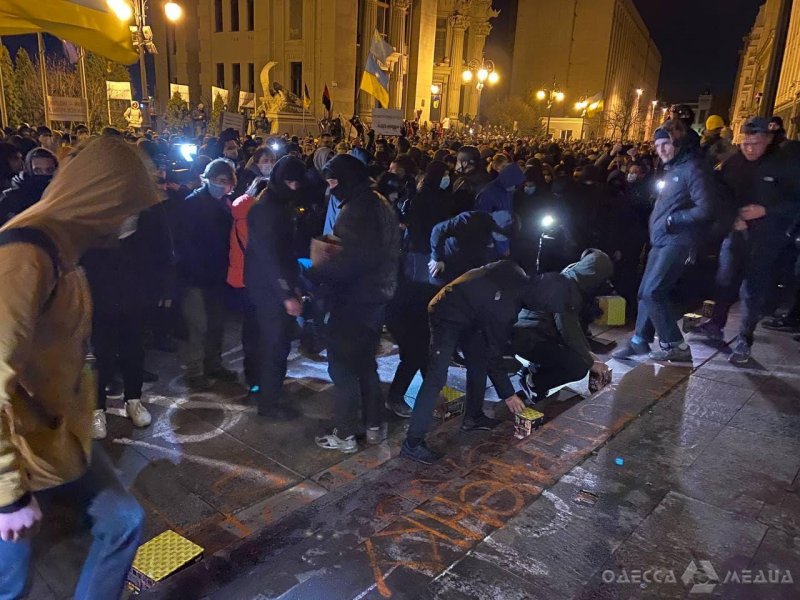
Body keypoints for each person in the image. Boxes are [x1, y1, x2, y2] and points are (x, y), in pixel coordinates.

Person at [0, 136, 158, 599]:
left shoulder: (60, 246)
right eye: (128, 206)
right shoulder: (26, 258)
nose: (131, 222)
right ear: (104, 198)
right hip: (19, 453)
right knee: (9, 583)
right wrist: (8, 495)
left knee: (123, 520)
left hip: (51, 442)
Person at [401, 260, 574, 464]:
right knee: (436, 378)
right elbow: (495, 353)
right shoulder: (505, 307)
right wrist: (508, 395)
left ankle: (473, 418)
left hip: (472, 314)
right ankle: (412, 444)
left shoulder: (516, 273)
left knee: (478, 361)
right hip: (446, 312)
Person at [310, 154, 400, 452]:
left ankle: (345, 433)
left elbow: (350, 262)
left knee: (343, 367)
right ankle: (374, 425)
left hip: (354, 301)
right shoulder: (378, 201)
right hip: (377, 299)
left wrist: (316, 270)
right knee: (365, 364)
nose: (330, 186)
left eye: (334, 179)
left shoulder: (356, 209)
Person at [691, 117, 800, 363]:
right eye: (746, 143)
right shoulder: (734, 163)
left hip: (766, 239)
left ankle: (744, 339)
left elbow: (794, 202)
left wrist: (767, 210)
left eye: (756, 144)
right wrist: (732, 218)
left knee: (752, 290)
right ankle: (715, 324)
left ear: (768, 141)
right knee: (724, 280)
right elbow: (718, 194)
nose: (750, 149)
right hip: (737, 234)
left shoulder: (784, 165)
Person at [614, 121, 714, 362]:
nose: (661, 149)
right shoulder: (672, 169)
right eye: (657, 145)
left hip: (678, 240)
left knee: (654, 292)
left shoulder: (692, 168)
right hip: (661, 239)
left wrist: (673, 219)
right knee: (643, 292)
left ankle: (675, 345)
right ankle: (639, 340)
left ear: (677, 143)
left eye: (666, 144)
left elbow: (706, 208)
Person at [245, 156, 308, 419]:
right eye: (289, 181)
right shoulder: (267, 208)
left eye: (297, 182)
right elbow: (269, 256)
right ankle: (269, 403)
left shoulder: (281, 204)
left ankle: (264, 391)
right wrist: (286, 294)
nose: (293, 187)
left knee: (271, 343)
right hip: (268, 288)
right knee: (274, 345)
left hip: (272, 285)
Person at [514, 250, 614, 401]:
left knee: (577, 355)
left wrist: (589, 354)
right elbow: (568, 332)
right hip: (528, 338)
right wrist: (591, 362)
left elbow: (572, 328)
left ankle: (535, 369)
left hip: (533, 333)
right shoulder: (568, 290)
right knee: (579, 367)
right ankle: (533, 381)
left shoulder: (570, 277)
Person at [176, 158, 238, 390]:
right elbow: (185, 242)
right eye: (221, 181)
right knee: (198, 325)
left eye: (228, 183)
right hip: (195, 277)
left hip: (217, 276)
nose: (224, 187)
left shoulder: (225, 204)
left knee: (216, 324)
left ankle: (214, 364)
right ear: (209, 178)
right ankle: (194, 371)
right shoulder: (193, 204)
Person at [404, 160, 454, 282]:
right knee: (421, 281)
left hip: (438, 248)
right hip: (423, 249)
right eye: (444, 175)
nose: (446, 178)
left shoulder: (443, 195)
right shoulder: (421, 197)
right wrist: (426, 249)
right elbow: (416, 226)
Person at [475, 161, 525, 257]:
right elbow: (484, 221)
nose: (515, 187)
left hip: (503, 237)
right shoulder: (488, 194)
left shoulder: (506, 190)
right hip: (493, 243)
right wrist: (498, 245)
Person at [0, 148, 58, 226]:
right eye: (37, 170)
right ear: (28, 169)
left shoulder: (61, 194)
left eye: (49, 170)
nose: (44, 174)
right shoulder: (11, 197)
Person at [451, 145, 490, 214]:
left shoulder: (466, 183)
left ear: (465, 163)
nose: (456, 164)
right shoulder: (485, 176)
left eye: (458, 161)